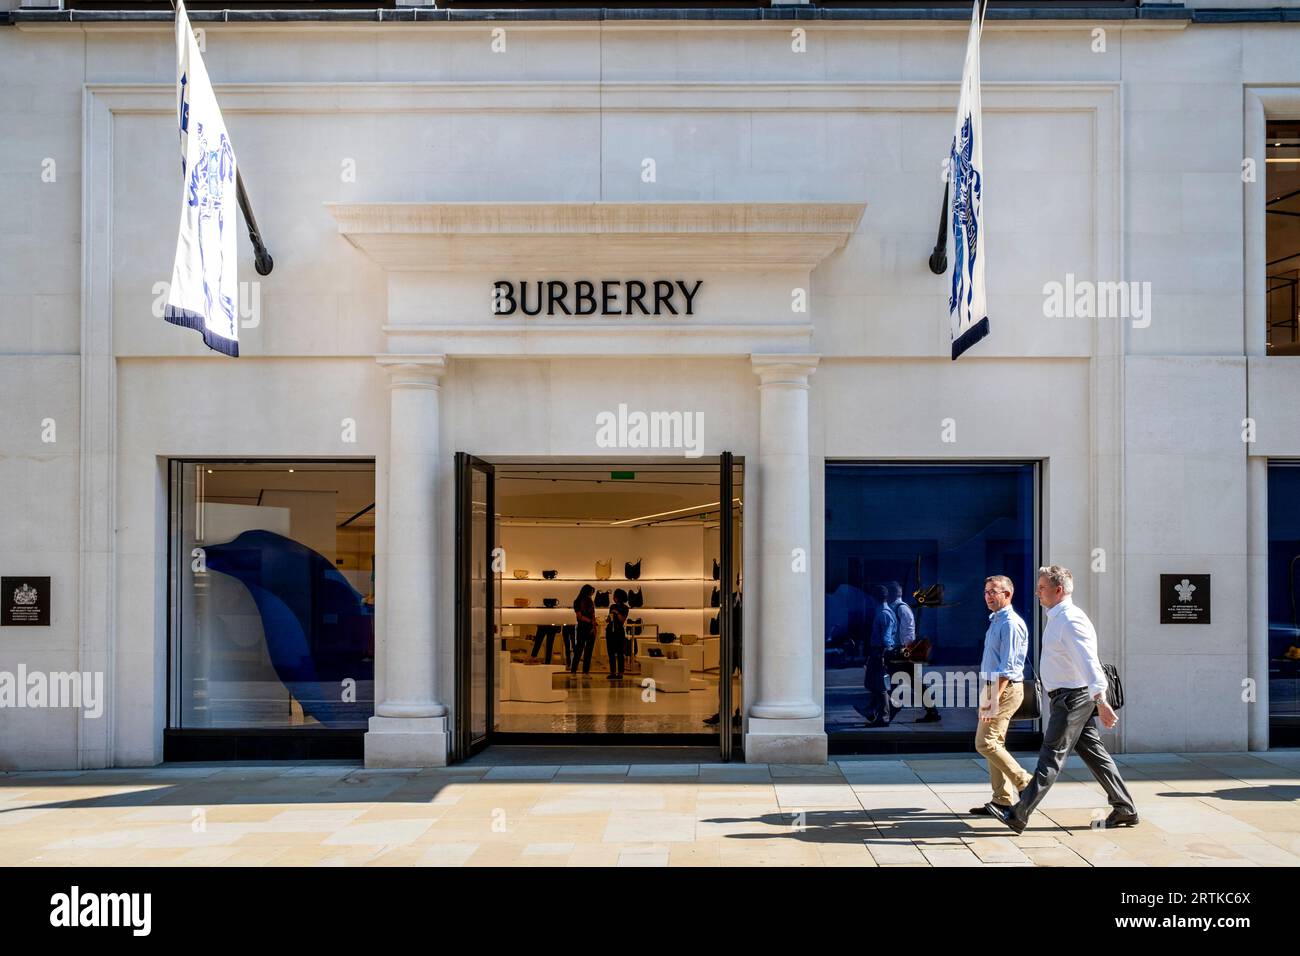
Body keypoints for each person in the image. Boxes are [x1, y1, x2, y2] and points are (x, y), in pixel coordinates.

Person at [986, 566, 1139, 833]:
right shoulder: (1058, 617)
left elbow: (1090, 662)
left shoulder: (1070, 620)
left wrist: (1101, 700)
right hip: (1069, 697)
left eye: (1042, 587)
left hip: (1072, 699)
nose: (1036, 592)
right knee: (1095, 754)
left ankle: (1019, 813)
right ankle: (1125, 807)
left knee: (1050, 756)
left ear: (1058, 590)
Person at [969, 575, 1034, 816]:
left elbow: (1008, 667)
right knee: (994, 743)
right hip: (993, 687)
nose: (988, 596)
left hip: (1003, 689)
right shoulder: (996, 620)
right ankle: (1001, 800)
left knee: (984, 743)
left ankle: (1025, 783)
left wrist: (993, 698)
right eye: (986, 592)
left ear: (1008, 594)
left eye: (993, 592)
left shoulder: (1010, 623)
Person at [857, 584, 897, 727]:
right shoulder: (882, 611)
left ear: (875, 597)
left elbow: (886, 638)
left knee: (880, 685)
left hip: (880, 652)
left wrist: (883, 655)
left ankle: (884, 715)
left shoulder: (884, 613)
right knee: (871, 683)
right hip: (877, 651)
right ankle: (874, 710)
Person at [569, 585, 596, 675]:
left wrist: (593, 625)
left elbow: (591, 615)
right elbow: (579, 616)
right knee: (581, 651)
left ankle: (582, 671)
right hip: (583, 628)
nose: (592, 594)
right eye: (591, 592)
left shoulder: (585, 601)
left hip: (586, 628)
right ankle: (577, 670)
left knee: (584, 651)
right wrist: (591, 622)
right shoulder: (578, 602)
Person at [606, 588, 630, 679]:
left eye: (615, 596)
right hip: (610, 630)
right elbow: (610, 619)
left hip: (619, 631)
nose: (613, 598)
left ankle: (620, 673)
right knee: (610, 652)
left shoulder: (625, 608)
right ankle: (612, 672)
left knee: (620, 652)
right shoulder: (612, 606)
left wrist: (617, 613)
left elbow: (622, 620)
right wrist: (608, 618)